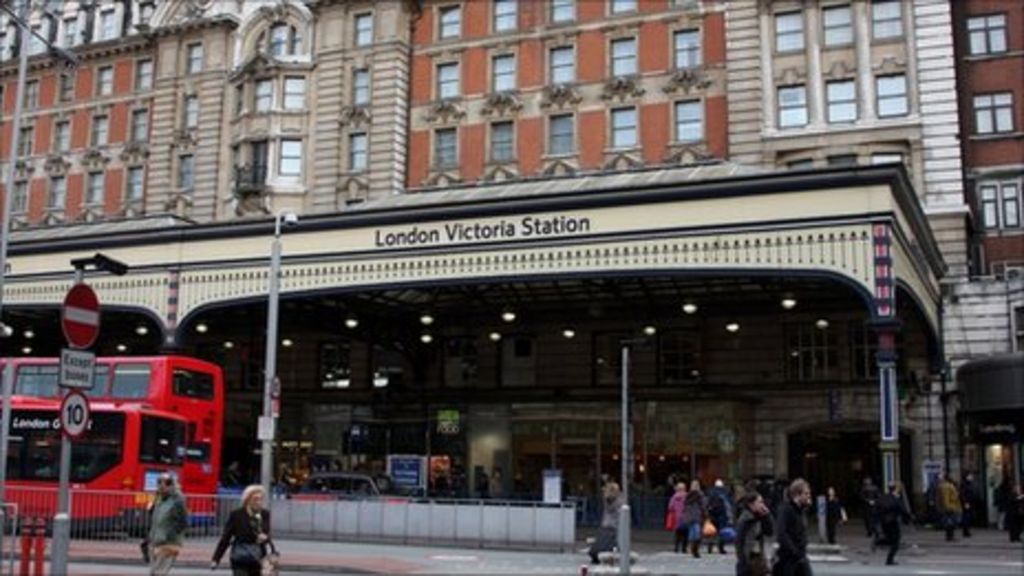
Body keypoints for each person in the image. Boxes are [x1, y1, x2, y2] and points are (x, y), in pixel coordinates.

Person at [212, 485, 276, 576]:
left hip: (258, 558)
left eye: (261, 499)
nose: (259, 502)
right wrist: (216, 559)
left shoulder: (265, 514)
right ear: (247, 500)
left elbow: (267, 533)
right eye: (255, 499)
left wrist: (265, 537)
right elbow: (226, 538)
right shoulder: (237, 515)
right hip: (240, 557)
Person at [147, 473, 189, 576]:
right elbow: (154, 517)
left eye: (163, 484)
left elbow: (183, 521)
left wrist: (170, 535)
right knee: (154, 572)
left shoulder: (178, 499)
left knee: (159, 573)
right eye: (158, 483)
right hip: (155, 540)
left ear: (170, 485)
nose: (160, 487)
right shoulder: (159, 497)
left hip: (168, 543)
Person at [773, 478, 813, 576]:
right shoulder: (786, 509)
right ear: (797, 494)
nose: (809, 496)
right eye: (806, 493)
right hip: (788, 558)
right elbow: (781, 533)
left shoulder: (801, 510)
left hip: (800, 556)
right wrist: (794, 551)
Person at [735, 492, 773, 576]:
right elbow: (739, 541)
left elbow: (770, 532)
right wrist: (742, 560)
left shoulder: (760, 516)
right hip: (747, 559)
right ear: (751, 504)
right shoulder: (745, 518)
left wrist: (767, 515)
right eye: (759, 502)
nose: (762, 504)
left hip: (758, 557)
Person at [589, 480, 625, 564]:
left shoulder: (610, 500)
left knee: (602, 544)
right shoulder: (615, 500)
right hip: (611, 526)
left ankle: (598, 555)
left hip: (608, 525)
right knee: (607, 544)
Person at [877, 483, 912, 565]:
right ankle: (889, 559)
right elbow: (902, 509)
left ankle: (879, 542)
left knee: (889, 538)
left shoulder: (882, 497)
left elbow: (877, 508)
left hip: (884, 522)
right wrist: (908, 518)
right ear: (895, 489)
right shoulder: (896, 498)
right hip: (893, 522)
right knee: (896, 542)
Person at [680, 479, 706, 558]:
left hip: (692, 515)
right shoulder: (698, 495)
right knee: (695, 532)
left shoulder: (689, 495)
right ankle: (694, 548)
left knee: (693, 532)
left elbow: (685, 505)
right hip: (695, 515)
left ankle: (693, 548)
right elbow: (703, 505)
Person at [707, 478, 733, 554]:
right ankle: (721, 548)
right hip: (722, 515)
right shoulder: (724, 493)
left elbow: (708, 504)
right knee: (722, 532)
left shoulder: (711, 492)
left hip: (713, 515)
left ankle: (710, 547)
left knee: (712, 532)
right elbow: (728, 505)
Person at [936, 474, 962, 542]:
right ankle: (950, 536)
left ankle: (949, 536)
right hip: (951, 506)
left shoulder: (943, 486)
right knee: (951, 522)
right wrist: (948, 506)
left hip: (948, 506)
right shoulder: (948, 487)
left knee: (949, 521)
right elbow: (946, 498)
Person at [667, 482, 688, 553]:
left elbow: (670, 507)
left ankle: (676, 547)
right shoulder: (686, 496)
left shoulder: (674, 497)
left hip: (676, 517)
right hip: (685, 516)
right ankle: (684, 548)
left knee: (677, 533)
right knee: (685, 534)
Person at [960, 472, 977, 538]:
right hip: (967, 503)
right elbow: (962, 494)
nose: (971, 477)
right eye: (970, 476)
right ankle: (966, 531)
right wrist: (965, 502)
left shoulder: (969, 484)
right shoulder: (964, 484)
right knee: (966, 517)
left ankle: (967, 530)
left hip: (970, 502)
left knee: (968, 517)